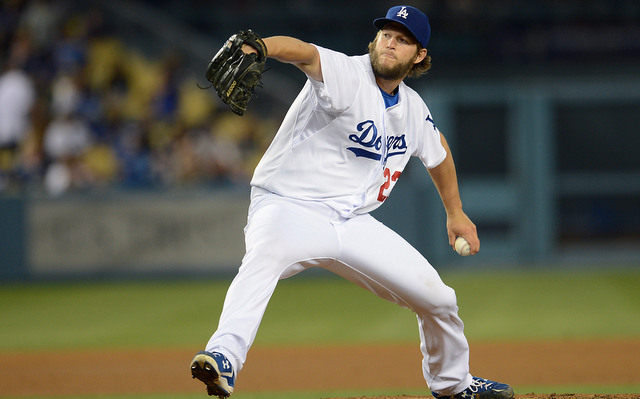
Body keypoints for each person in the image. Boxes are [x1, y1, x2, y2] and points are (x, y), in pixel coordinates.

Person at [191, 5, 514, 399]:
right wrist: (261, 47)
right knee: (263, 259)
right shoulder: (348, 74)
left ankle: (453, 384)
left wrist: (455, 211)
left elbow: (438, 151)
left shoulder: (412, 108)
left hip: (353, 223)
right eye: (386, 35)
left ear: (420, 56)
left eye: (403, 40)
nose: (390, 43)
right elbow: (305, 53)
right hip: (289, 206)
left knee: (440, 299)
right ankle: (223, 356)